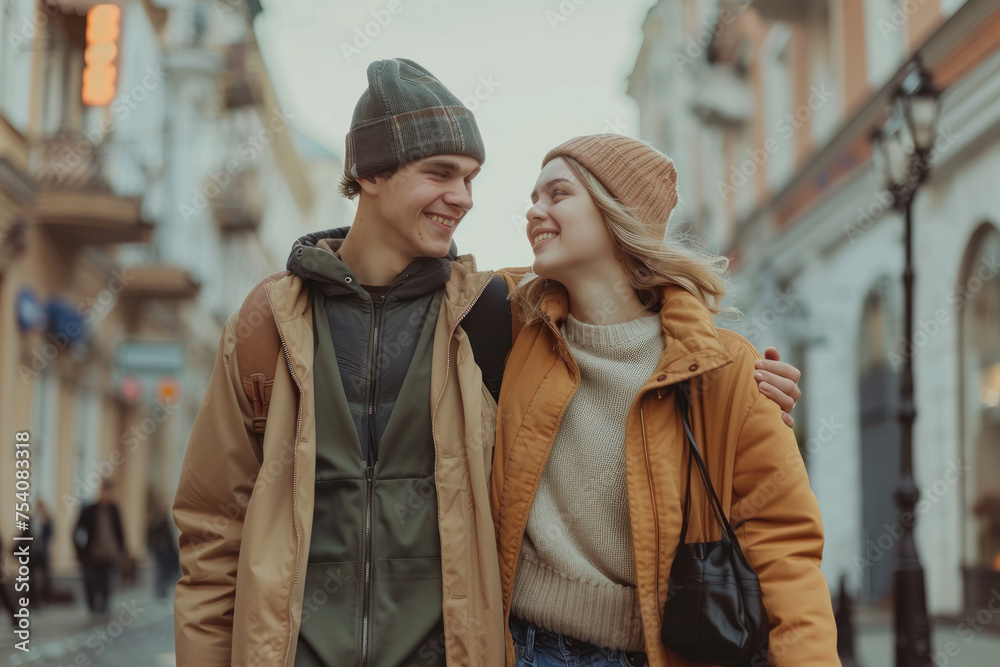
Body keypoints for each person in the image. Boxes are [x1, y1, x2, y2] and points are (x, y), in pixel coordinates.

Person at [172, 59, 803, 667]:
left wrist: (730, 372)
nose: (465, 197)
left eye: (472, 177)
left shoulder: (490, 312)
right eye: (441, 172)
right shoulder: (268, 325)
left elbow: (621, 299)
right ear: (368, 173)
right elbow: (212, 535)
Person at [490, 135, 837, 667]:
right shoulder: (508, 325)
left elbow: (783, 544)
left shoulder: (723, 369)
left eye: (557, 194)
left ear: (615, 215)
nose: (534, 212)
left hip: (652, 654)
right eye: (534, 197)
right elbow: (406, 282)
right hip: (517, 647)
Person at [74, 479, 126, 616]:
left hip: (109, 555)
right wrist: (80, 553)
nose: (106, 495)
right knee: (90, 583)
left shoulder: (114, 510)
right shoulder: (89, 510)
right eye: (103, 492)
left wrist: (121, 551)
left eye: (108, 492)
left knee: (107, 584)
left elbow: (120, 531)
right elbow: (77, 532)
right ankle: (93, 607)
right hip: (93, 555)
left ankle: (103, 607)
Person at [146, 496, 180, 600]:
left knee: (166, 570)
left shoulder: (166, 520)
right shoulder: (156, 520)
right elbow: (150, 535)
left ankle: (162, 589)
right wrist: (153, 547)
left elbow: (169, 536)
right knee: (161, 570)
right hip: (160, 550)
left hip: (167, 550)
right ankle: (160, 589)